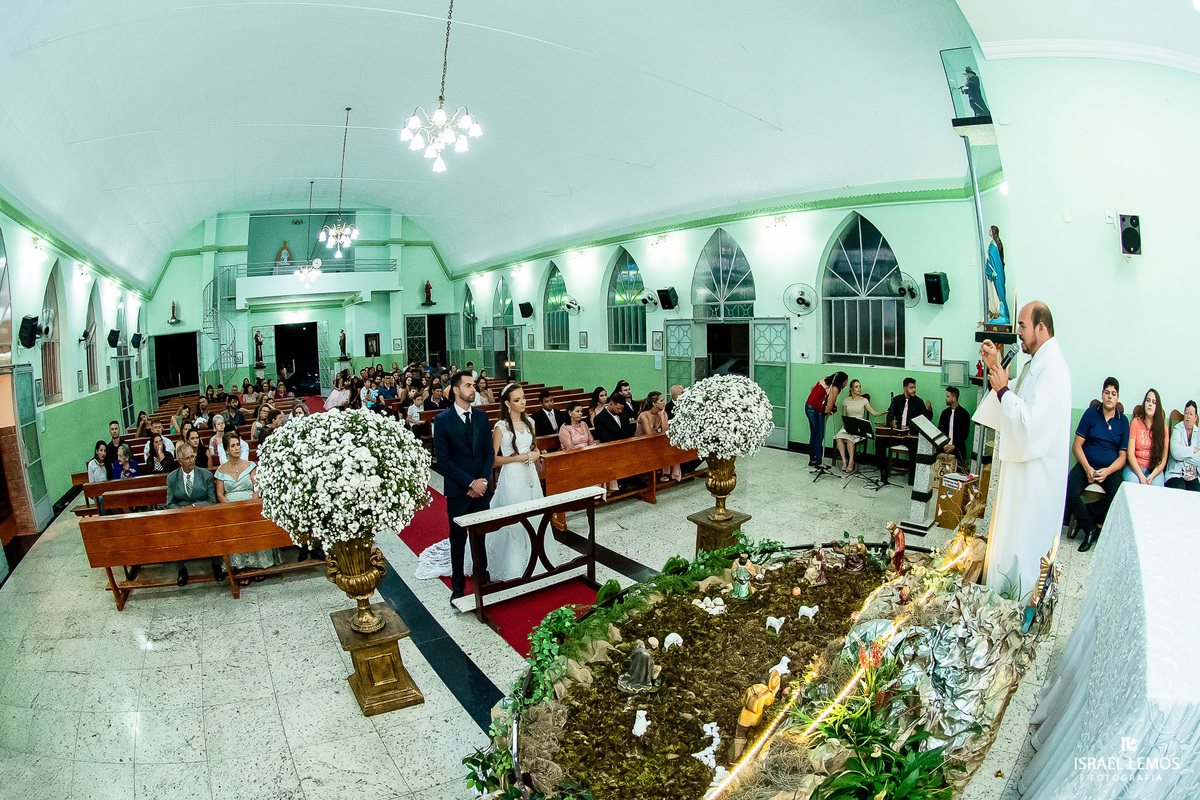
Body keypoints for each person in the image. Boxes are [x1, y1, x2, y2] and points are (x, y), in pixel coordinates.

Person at [975, 301, 1072, 595]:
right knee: (1011, 538)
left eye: (1022, 326)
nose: (1018, 333)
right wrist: (994, 367)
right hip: (1023, 474)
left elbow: (1030, 423)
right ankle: (1002, 593)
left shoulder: (1054, 370)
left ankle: (1018, 603)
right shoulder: (1036, 364)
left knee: (1025, 545)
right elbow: (1012, 391)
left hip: (1037, 481)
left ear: (1040, 328)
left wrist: (1003, 390)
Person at [427, 372, 494, 600]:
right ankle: (457, 587)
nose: (473, 389)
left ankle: (482, 577)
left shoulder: (481, 417)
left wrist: (482, 481)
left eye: (473, 385)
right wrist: (470, 482)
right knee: (458, 539)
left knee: (480, 536)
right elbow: (444, 461)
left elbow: (488, 452)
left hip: (481, 488)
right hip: (459, 490)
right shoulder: (443, 420)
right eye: (468, 385)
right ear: (455, 390)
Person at [485, 383, 557, 581]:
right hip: (512, 476)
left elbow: (535, 448)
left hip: (530, 474)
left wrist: (534, 455)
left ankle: (538, 559)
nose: (523, 402)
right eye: (517, 400)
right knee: (515, 518)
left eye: (523, 398)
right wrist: (516, 458)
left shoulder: (530, 422)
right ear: (507, 403)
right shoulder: (501, 427)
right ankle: (513, 564)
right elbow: (493, 460)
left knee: (535, 514)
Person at [1064, 377, 1128, 552]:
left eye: (1113, 394)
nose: (1109, 396)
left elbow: (1122, 457)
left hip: (1110, 469)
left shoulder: (1123, 421)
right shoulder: (1091, 413)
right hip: (1087, 464)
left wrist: (1107, 471)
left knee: (1120, 497)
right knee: (1070, 491)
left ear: (1117, 397)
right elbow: (1076, 446)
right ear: (1102, 394)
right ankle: (1090, 528)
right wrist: (1087, 468)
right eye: (1107, 393)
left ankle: (1085, 515)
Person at [216, 431, 279, 572]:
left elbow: (257, 488)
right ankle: (240, 566)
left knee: (256, 524)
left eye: (238, 445)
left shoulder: (250, 465)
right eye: (232, 446)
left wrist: (250, 505)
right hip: (231, 510)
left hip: (251, 507)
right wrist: (231, 508)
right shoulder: (221, 470)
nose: (237, 448)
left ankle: (260, 564)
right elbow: (220, 494)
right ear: (226, 450)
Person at [165, 442, 223, 586]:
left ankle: (217, 564)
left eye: (193, 457)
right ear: (180, 461)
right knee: (172, 534)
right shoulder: (172, 478)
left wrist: (193, 507)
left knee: (216, 529)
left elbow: (211, 501)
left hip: (204, 515)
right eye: (187, 458)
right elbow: (170, 503)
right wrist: (183, 511)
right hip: (181, 518)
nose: (191, 460)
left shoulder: (206, 475)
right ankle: (181, 569)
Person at [833, 379, 884, 474]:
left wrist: (885, 412)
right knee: (838, 437)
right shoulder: (846, 400)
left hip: (859, 427)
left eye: (860, 386)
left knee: (849, 439)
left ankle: (851, 462)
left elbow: (874, 413)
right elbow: (843, 416)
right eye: (856, 387)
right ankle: (844, 461)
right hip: (848, 426)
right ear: (851, 389)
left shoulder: (864, 400)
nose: (859, 389)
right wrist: (846, 428)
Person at [1123, 388, 1168, 487]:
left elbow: (1163, 458)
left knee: (1157, 489)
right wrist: (1140, 475)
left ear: (1157, 407)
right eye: (1148, 400)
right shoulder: (1136, 422)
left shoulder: (1163, 427)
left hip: (1154, 469)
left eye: (1154, 402)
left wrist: (1152, 476)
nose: (1150, 404)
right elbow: (1130, 453)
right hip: (1134, 468)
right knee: (1133, 485)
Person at [636, 392, 682, 481]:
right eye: (661, 401)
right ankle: (659, 474)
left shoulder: (663, 413)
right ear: (654, 404)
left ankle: (668, 474)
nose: (664, 403)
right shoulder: (644, 415)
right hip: (641, 443)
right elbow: (649, 434)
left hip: (654, 441)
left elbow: (666, 432)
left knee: (671, 447)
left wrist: (662, 416)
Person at [805, 372, 847, 469]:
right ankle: (819, 462)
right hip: (817, 410)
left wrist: (818, 397)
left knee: (814, 434)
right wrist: (825, 418)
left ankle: (812, 459)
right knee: (819, 436)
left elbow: (812, 388)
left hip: (808, 406)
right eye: (845, 382)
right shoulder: (835, 388)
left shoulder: (824, 379)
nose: (846, 384)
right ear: (840, 381)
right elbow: (829, 407)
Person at [1166, 400, 1200, 492]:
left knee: (1197, 492)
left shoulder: (1198, 433)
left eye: (1191, 414)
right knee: (1180, 488)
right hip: (1175, 474)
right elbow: (1176, 453)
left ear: (1196, 417)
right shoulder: (1177, 429)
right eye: (1186, 413)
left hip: (1192, 475)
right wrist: (1193, 450)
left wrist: (1183, 456)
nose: (1188, 417)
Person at [937, 387, 971, 467]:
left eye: (948, 397)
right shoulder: (945, 413)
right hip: (944, 448)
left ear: (954, 398)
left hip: (958, 449)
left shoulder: (964, 414)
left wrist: (954, 446)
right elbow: (940, 431)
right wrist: (944, 445)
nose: (946, 399)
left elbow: (965, 434)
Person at [986, 225, 1010, 326]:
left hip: (996, 273)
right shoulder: (996, 244)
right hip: (998, 272)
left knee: (999, 292)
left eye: (990, 230)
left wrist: (991, 270)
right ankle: (998, 313)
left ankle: (1002, 314)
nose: (989, 231)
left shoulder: (993, 245)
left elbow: (992, 260)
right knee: (998, 292)